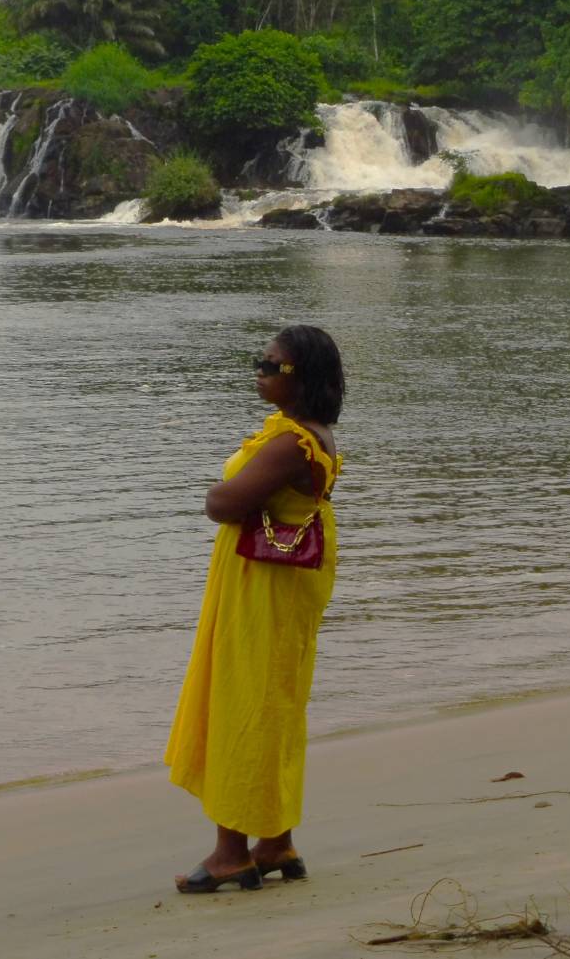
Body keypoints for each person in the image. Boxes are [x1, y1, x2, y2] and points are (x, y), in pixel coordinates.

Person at [164, 324, 346, 893]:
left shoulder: (293, 443)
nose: (259, 372)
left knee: (244, 703)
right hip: (276, 582)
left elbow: (225, 504)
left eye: (272, 366)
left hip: (265, 587)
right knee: (273, 703)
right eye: (259, 361)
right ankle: (275, 841)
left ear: (303, 378)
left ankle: (230, 853)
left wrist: (218, 494)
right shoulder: (302, 432)